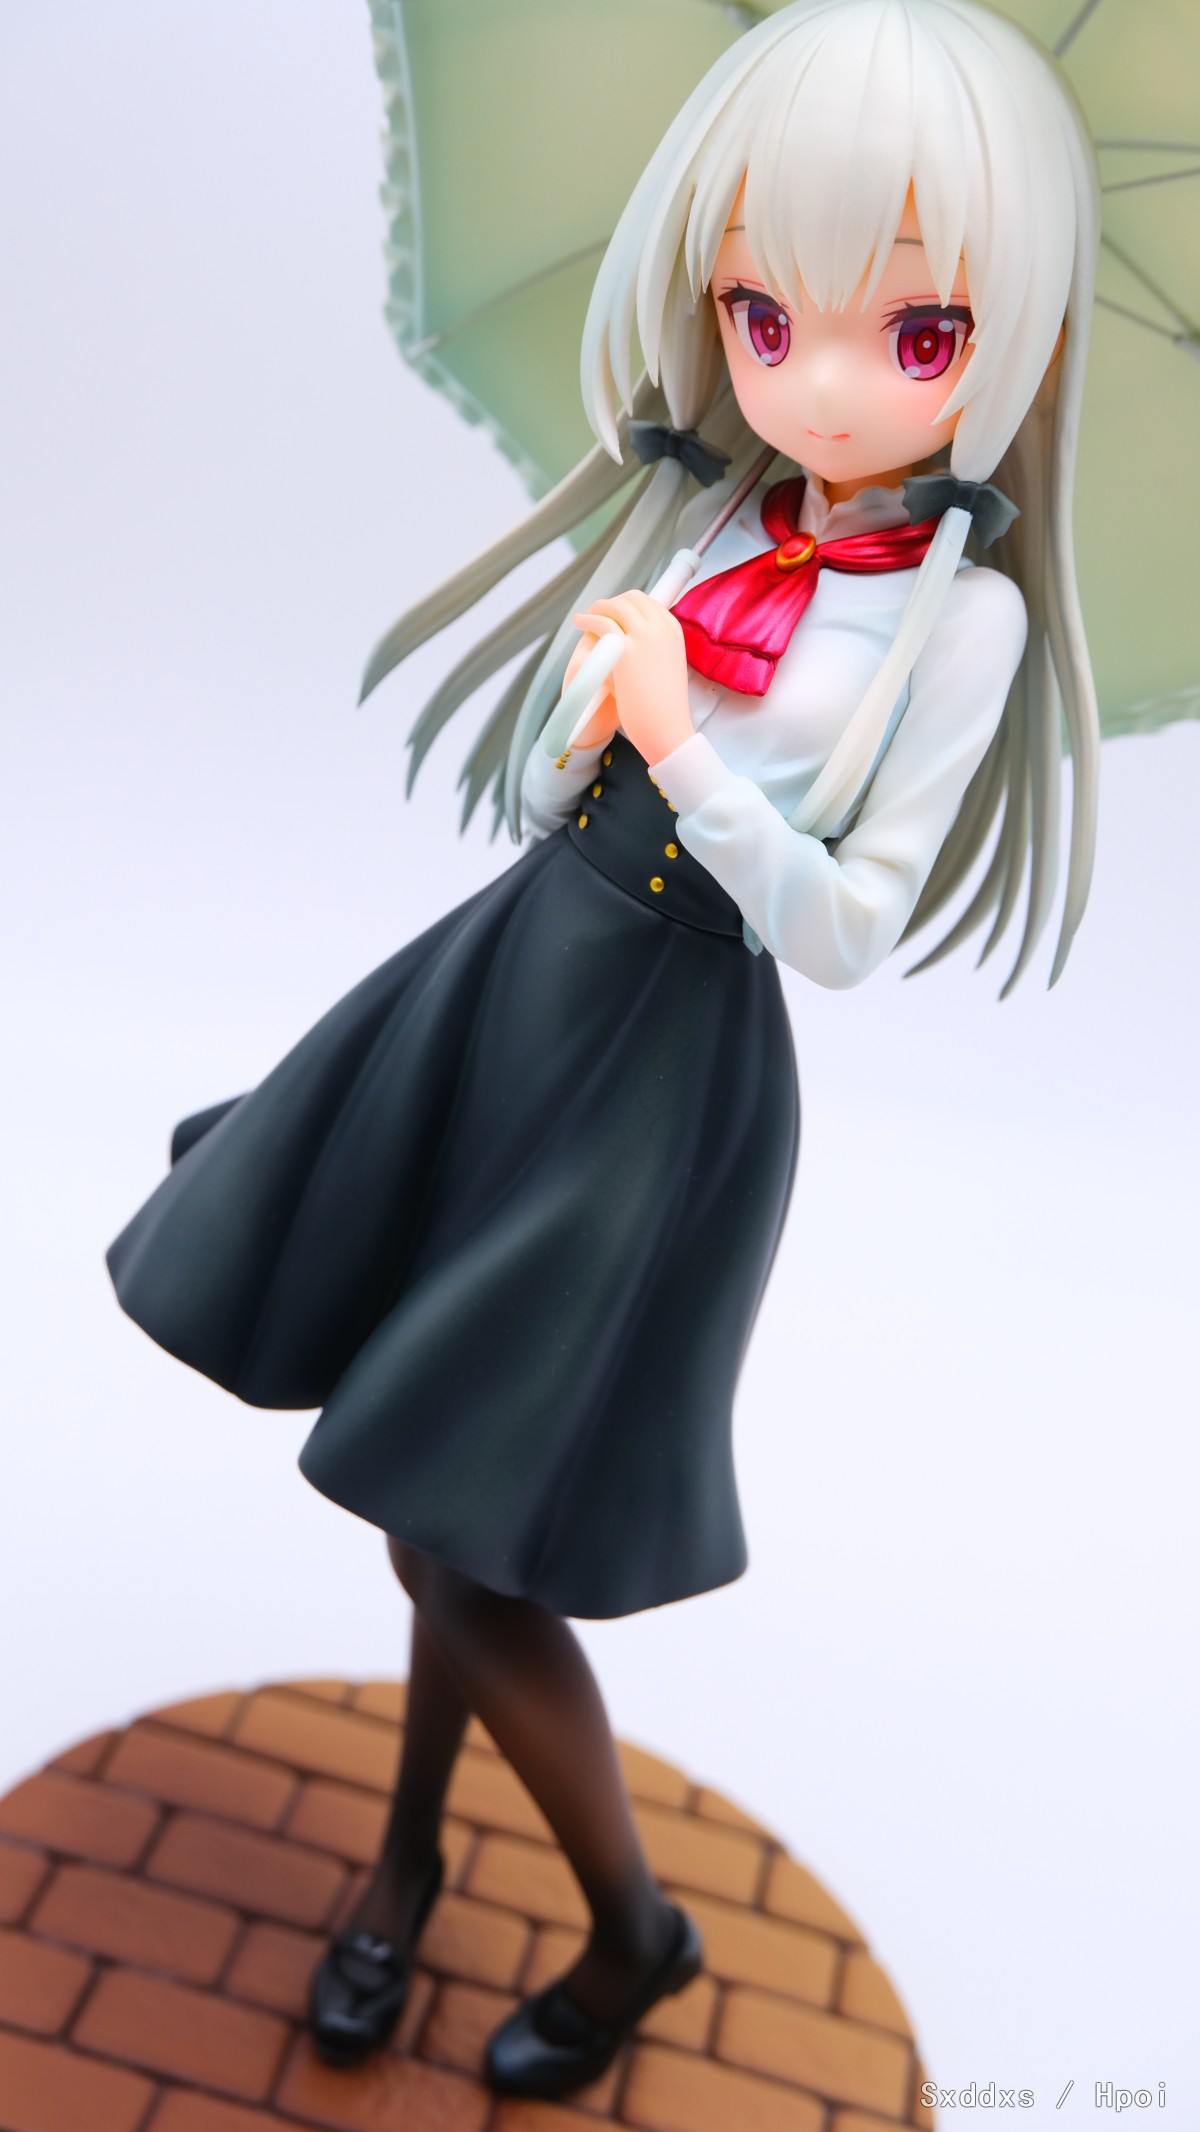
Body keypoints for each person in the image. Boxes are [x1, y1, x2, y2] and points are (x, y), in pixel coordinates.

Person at [106, 0, 1100, 2101]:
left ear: (1004, 338)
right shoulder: (725, 514)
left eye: (917, 330)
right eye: (767, 313)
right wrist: (596, 715)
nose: (821, 379)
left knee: (461, 1530)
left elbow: (843, 930)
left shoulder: (966, 620)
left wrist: (685, 749)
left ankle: (634, 1929)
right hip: (518, 977)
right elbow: (586, 778)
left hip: (660, 1066)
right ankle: (404, 1862)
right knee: (431, 1492)